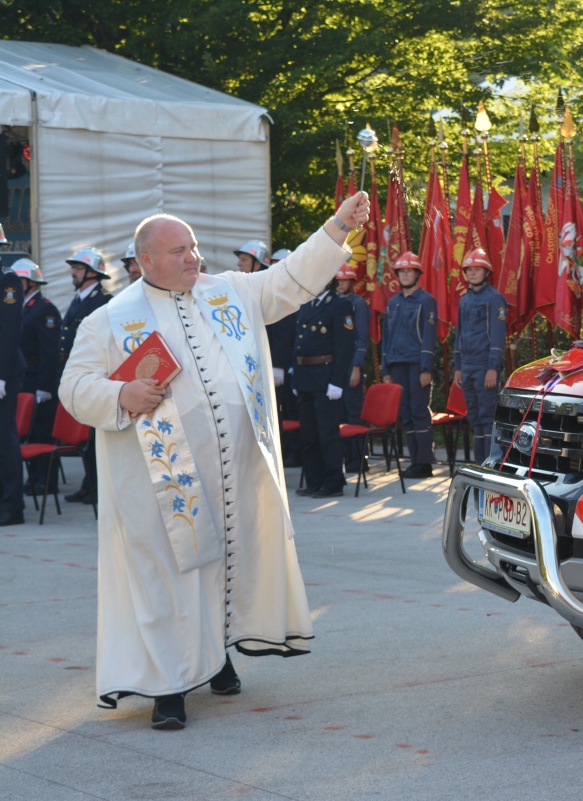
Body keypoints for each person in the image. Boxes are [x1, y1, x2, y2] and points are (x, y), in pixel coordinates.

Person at [58, 192, 370, 730]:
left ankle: (217, 655)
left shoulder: (231, 292)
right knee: (170, 580)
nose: (193, 258)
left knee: (225, 566)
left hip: (235, 471)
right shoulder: (111, 320)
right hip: (161, 482)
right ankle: (169, 687)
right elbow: (73, 387)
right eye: (179, 251)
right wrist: (121, 394)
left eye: (195, 247)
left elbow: (292, 279)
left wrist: (338, 226)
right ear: (146, 261)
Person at [292, 271, 355, 497]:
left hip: (326, 377)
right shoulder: (306, 304)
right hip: (305, 376)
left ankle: (333, 482)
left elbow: (344, 347)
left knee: (327, 433)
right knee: (308, 434)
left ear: (329, 279)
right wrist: (295, 374)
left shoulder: (340, 305)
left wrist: (337, 382)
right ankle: (314, 480)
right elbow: (297, 342)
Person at [60, 246, 111, 505]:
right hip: (77, 375)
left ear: (93, 273)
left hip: (95, 377)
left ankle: (96, 488)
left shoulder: (103, 300)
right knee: (86, 442)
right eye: (74, 268)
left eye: (78, 268)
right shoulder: (80, 298)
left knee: (93, 439)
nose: (73, 272)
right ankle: (88, 484)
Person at [381, 251, 438, 478]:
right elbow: (386, 337)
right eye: (401, 271)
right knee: (405, 413)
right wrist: (385, 369)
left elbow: (429, 336)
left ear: (417, 274)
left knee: (418, 411)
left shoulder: (426, 301)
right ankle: (414, 461)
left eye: (409, 271)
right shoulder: (392, 303)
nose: (405, 275)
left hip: (416, 364)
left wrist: (426, 368)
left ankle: (424, 463)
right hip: (396, 365)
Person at [452, 247, 507, 464]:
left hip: (485, 366)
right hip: (467, 366)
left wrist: (493, 367)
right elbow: (460, 334)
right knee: (474, 416)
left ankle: (492, 462)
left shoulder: (495, 299)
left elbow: (497, 336)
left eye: (477, 269)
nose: (472, 273)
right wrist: (458, 366)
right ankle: (479, 462)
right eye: (469, 269)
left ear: (486, 272)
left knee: (487, 416)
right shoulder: (465, 300)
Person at [13, 259, 62, 495]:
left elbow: (49, 353)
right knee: (27, 431)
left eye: (19, 280)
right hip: (24, 379)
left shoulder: (45, 309)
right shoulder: (22, 306)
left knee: (42, 429)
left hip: (38, 380)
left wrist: (45, 386)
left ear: (30, 282)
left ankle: (46, 481)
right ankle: (33, 479)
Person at [267, 248, 300, 466]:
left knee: (292, 409)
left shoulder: (296, 294)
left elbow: (290, 333)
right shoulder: (273, 293)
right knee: (279, 411)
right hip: (277, 365)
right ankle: (286, 450)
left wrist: (283, 364)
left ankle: (296, 452)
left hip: (292, 364)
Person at [335, 265, 369, 472]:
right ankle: (347, 457)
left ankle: (359, 459)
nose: (340, 283)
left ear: (352, 282)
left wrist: (357, 366)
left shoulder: (358, 304)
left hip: (351, 366)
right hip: (338, 366)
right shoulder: (336, 303)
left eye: (344, 280)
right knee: (339, 415)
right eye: (338, 280)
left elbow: (362, 339)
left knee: (354, 413)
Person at [0, 257, 25, 527]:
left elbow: (8, 330)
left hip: (4, 370)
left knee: (4, 439)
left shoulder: (6, 279)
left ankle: (12, 505)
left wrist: (2, 375)